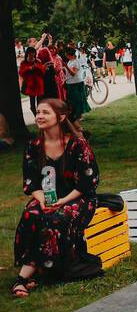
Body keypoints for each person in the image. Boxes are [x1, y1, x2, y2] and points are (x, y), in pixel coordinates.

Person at [12, 99, 99, 298]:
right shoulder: (34, 146)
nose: (39, 116)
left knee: (55, 219)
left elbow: (87, 182)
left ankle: (24, 278)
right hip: (47, 196)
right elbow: (31, 182)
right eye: (38, 112)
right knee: (31, 214)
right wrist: (42, 200)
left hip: (78, 197)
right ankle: (37, 268)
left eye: (45, 113)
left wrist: (63, 201)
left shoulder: (78, 144)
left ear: (60, 118)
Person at [64, 45, 92, 120]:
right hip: (70, 83)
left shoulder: (75, 62)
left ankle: (79, 115)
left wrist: (66, 67)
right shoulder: (70, 61)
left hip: (76, 83)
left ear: (69, 54)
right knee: (71, 100)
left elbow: (73, 73)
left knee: (77, 100)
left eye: (66, 53)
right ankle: (74, 114)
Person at [19, 46, 44, 113]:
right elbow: (21, 73)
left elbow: (42, 72)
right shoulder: (23, 62)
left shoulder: (38, 61)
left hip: (39, 84)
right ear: (27, 53)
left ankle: (39, 117)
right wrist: (29, 68)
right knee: (32, 105)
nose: (32, 55)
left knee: (39, 104)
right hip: (30, 85)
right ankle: (36, 116)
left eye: (33, 53)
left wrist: (38, 67)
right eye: (30, 53)